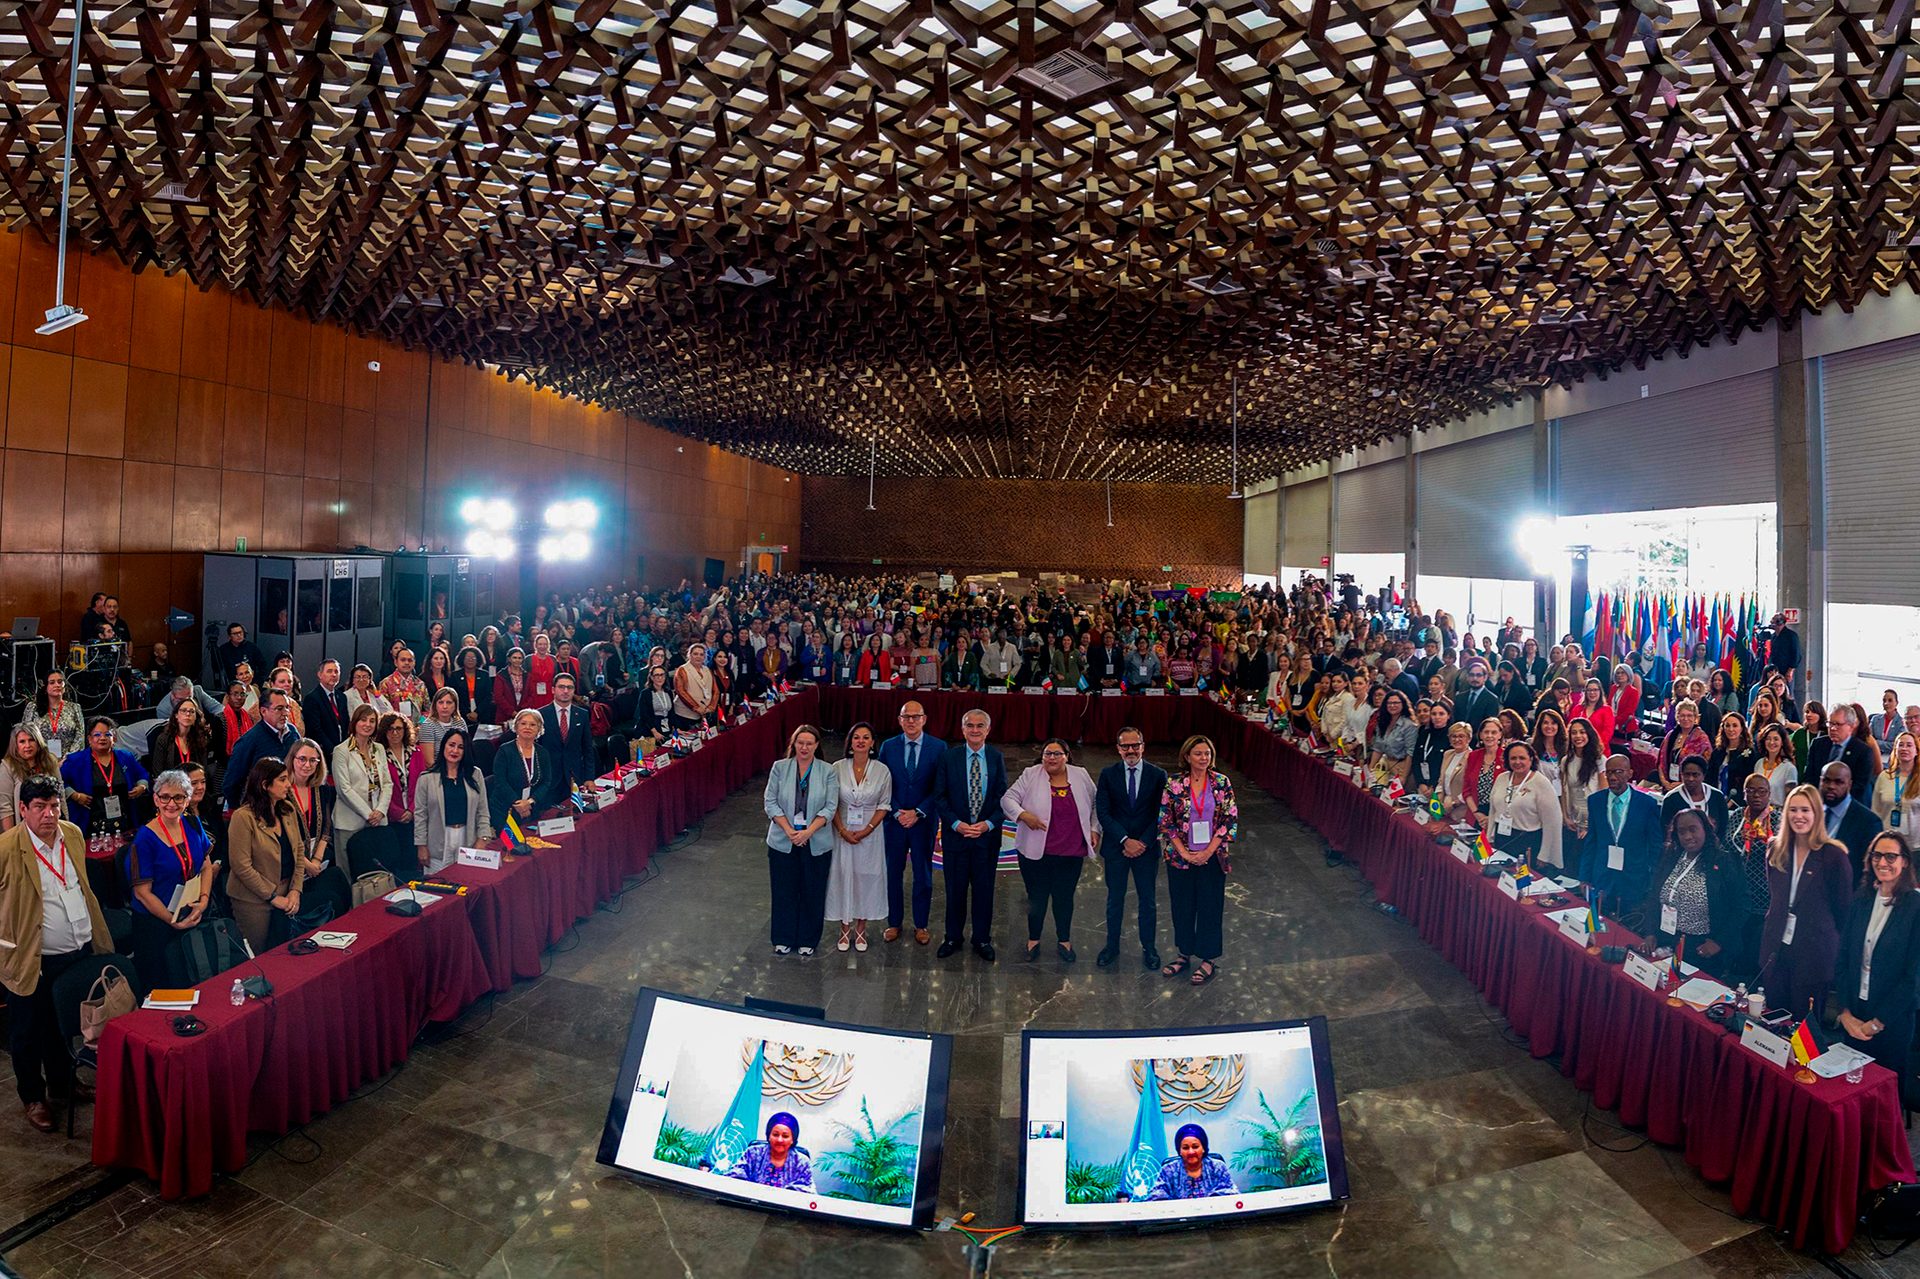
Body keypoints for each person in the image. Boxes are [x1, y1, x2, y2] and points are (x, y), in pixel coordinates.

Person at [0, 778, 112, 1132]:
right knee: (27, 1031)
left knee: (62, 1025)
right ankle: (33, 1097)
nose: (48, 814)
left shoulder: (72, 834)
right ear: (23, 809)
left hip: (75, 951)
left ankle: (64, 1085)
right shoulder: (6, 847)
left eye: (53, 806)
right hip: (31, 957)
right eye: (39, 807)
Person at [1834, 831, 1920, 1108]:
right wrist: (1845, 1013)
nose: (1883, 862)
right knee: (1849, 1096)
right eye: (1877, 855)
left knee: (1883, 1102)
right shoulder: (1861, 899)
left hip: (1892, 1021)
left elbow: (1913, 979)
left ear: (1905, 861)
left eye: (1891, 856)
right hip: (1855, 1012)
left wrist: (1876, 1024)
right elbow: (1843, 959)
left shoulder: (1916, 906)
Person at [1761, 783, 1856, 1018]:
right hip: (1777, 950)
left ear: (1817, 813)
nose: (1798, 816)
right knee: (1772, 1020)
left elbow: (1844, 912)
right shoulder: (1775, 848)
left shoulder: (1834, 856)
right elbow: (1774, 897)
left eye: (1805, 810)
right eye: (1793, 810)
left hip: (1813, 956)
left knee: (1804, 1029)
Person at [1004, 738, 1097, 963]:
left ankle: (1064, 940)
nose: (1051, 758)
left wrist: (1095, 829)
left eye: (1057, 754)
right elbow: (1008, 799)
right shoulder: (1031, 774)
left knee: (1064, 898)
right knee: (1036, 898)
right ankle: (1033, 939)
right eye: (1047, 754)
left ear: (1067, 756)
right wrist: (1023, 815)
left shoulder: (1081, 775)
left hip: (1071, 851)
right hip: (1035, 852)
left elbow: (1096, 804)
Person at [1159, 734, 1237, 988]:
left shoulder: (1221, 782)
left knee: (1210, 907)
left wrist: (1207, 852)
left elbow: (1229, 820)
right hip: (1180, 858)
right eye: (1198, 754)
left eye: (1207, 754)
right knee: (1182, 906)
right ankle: (1184, 953)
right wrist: (1184, 852)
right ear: (1187, 756)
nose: (1204, 758)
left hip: (1212, 858)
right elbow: (1165, 821)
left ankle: (1208, 959)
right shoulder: (1174, 783)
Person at [931, 710, 1008, 961]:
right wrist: (955, 824)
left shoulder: (996, 757)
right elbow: (939, 796)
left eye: (980, 725)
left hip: (986, 839)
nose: (975, 730)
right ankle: (952, 937)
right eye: (970, 725)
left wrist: (988, 824)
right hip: (956, 838)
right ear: (962, 729)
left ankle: (982, 939)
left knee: (984, 891)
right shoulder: (948, 757)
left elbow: (1003, 798)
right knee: (955, 890)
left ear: (988, 729)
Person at [1095, 727, 1168, 970]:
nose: (1131, 750)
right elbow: (1103, 812)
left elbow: (1162, 813)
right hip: (1117, 848)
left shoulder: (1158, 775)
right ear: (1118, 749)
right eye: (1125, 746)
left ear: (1143, 746)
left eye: (1135, 745)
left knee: (1148, 901)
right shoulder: (1108, 774)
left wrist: (1142, 842)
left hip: (1147, 849)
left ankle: (1149, 948)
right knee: (1114, 900)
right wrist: (1125, 840)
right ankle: (1111, 947)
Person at [762, 724, 838, 957]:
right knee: (783, 890)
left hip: (816, 841)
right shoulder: (780, 767)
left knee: (812, 891)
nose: (804, 747)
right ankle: (783, 938)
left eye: (809, 743)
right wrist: (789, 831)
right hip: (783, 840)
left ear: (817, 745)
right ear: (793, 744)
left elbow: (830, 807)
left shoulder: (828, 771)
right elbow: (770, 802)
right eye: (800, 743)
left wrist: (807, 832)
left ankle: (808, 939)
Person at [59, 716, 150, 909]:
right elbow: (60, 780)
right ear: (89, 739)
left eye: (107, 734)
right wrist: (74, 795)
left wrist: (142, 786)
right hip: (91, 826)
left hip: (123, 825)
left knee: (126, 863)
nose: (102, 738)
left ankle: (127, 901)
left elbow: (143, 774)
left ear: (114, 737)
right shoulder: (76, 760)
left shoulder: (125, 756)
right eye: (97, 734)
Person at [874, 701, 943, 945]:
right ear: (899, 720)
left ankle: (921, 924)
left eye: (916, 716)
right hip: (894, 822)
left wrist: (918, 812)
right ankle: (894, 922)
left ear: (924, 719)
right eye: (906, 717)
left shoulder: (939, 747)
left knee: (922, 874)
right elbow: (882, 783)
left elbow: (940, 787)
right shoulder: (888, 746)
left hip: (923, 822)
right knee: (893, 873)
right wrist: (896, 812)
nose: (911, 721)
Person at [1644, 808, 1744, 969]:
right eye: (1681, 832)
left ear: (1705, 829)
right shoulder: (1671, 855)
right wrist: (1650, 932)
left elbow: (1741, 907)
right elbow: (1654, 895)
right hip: (1666, 939)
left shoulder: (1724, 861)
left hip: (1701, 948)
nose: (1687, 836)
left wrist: (1719, 942)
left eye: (1693, 829)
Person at [226, 757, 307, 952]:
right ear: (265, 785)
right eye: (282, 779)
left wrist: (296, 889)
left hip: (286, 893)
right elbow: (241, 866)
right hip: (253, 901)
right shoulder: (242, 817)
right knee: (261, 953)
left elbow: (299, 850)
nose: (288, 784)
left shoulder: (287, 810)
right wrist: (272, 896)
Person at [825, 723, 890, 952]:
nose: (861, 741)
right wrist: (842, 830)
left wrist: (866, 830)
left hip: (870, 834)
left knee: (866, 878)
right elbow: (831, 803)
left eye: (866, 737)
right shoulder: (837, 768)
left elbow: (884, 805)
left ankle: (861, 927)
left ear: (872, 743)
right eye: (856, 737)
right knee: (843, 876)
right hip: (842, 831)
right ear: (850, 742)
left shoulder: (882, 770)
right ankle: (844, 926)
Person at [1583, 754, 1664, 917]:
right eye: (1609, 772)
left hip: (1634, 877)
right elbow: (1591, 841)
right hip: (1603, 876)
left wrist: (1653, 879)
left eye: (1619, 772)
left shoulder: (1647, 804)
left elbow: (1655, 844)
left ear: (1630, 773)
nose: (1613, 777)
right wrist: (1584, 877)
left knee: (1628, 924)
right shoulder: (1595, 801)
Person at [285, 738, 350, 922]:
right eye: (302, 759)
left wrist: (316, 860)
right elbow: (284, 837)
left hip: (318, 859)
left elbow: (326, 828)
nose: (307, 765)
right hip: (292, 860)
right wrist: (306, 864)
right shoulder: (282, 792)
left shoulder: (322, 789)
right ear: (292, 759)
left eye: (313, 760)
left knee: (337, 887)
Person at [414, 728, 491, 875]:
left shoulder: (475, 774)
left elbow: (483, 810)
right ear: (443, 746)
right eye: (451, 745)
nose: (455, 750)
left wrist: (483, 837)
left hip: (467, 839)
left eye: (460, 747)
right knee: (438, 885)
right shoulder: (426, 778)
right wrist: (421, 845)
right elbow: (420, 816)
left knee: (467, 882)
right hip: (437, 843)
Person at [1726, 773, 1779, 977]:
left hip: (1765, 895)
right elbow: (1727, 845)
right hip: (1737, 892)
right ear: (1744, 793)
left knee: (1756, 946)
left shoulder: (1778, 820)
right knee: (1736, 943)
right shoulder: (1737, 816)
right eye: (1751, 791)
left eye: (1762, 791)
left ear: (1769, 794)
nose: (1756, 795)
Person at [1485, 741, 1562, 869]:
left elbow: (1552, 821)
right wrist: (1489, 837)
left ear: (1531, 759)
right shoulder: (1501, 778)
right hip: (1501, 838)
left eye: (1522, 758)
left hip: (1527, 842)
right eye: (1513, 758)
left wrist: (1545, 855)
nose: (1517, 762)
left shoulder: (1541, 783)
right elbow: (1493, 811)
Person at [221, 687, 300, 812]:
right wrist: (242, 811)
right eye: (279, 708)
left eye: (287, 708)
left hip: (291, 803)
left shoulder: (293, 732)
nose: (285, 713)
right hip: (261, 808)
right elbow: (231, 783)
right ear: (263, 711)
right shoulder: (249, 741)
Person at [489, 709, 562, 830]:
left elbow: (547, 782)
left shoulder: (542, 753)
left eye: (533, 724)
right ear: (516, 726)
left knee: (532, 840)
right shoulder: (504, 751)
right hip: (505, 809)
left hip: (532, 808)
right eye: (523, 723)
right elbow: (500, 781)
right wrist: (518, 804)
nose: (527, 727)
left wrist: (530, 802)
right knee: (511, 842)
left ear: (539, 729)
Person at [1821, 762, 1884, 881]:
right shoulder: (1812, 813)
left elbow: (1870, 871)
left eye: (1838, 782)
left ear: (1849, 785)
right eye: (1826, 780)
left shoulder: (1868, 822)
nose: (1831, 786)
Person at [725, 1112, 813, 1190]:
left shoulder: (802, 1162)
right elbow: (735, 1175)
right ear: (769, 1136)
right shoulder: (753, 1153)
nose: (779, 1140)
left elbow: (806, 1191)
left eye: (785, 1136)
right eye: (775, 1135)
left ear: (792, 1139)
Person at [1809, 705, 1878, 804]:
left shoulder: (1863, 751)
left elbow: (1859, 786)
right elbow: (1810, 778)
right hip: (1818, 803)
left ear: (1851, 726)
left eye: (1838, 724)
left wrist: (1834, 798)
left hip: (1848, 805)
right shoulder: (1817, 745)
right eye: (1830, 723)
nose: (1833, 728)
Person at [1149, 1123, 1236, 1200]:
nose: (1191, 1152)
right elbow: (1156, 1197)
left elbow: (1231, 1194)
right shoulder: (1168, 1170)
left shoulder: (1217, 1167)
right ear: (1179, 1151)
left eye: (1195, 1147)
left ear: (1203, 1148)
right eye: (1185, 1148)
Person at [539, 674, 594, 791]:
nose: (565, 691)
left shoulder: (582, 714)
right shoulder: (541, 715)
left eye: (570, 687)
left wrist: (589, 777)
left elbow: (588, 748)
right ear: (553, 690)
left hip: (575, 777)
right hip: (549, 779)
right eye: (561, 687)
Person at [1660, 756, 1729, 845]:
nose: (1691, 779)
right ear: (1681, 775)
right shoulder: (1671, 799)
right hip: (1682, 849)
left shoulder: (1717, 796)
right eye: (1687, 774)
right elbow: (1666, 831)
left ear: (1703, 775)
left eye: (1695, 775)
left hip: (1713, 849)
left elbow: (1723, 827)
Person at [0, 728, 58, 833]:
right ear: (15, 745)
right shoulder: (7, 766)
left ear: (38, 742)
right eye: (22, 741)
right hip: (22, 828)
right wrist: (11, 836)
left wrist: (66, 822)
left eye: (31, 740)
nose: (27, 745)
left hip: (50, 822)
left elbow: (60, 795)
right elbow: (5, 808)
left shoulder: (50, 760)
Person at [18, 672, 82, 760]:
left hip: (68, 762)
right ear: (45, 687)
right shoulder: (33, 708)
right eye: (52, 682)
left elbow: (80, 738)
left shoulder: (74, 708)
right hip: (39, 760)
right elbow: (25, 735)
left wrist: (65, 760)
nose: (57, 685)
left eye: (60, 682)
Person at [301, 658, 352, 760]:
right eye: (329, 671)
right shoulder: (312, 698)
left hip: (342, 751)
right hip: (323, 753)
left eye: (336, 671)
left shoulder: (342, 697)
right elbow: (315, 729)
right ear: (320, 675)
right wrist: (332, 750)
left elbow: (345, 724)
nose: (333, 674)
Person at [1657, 700, 1712, 792]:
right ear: (1677, 717)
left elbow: (1705, 768)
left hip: (1690, 788)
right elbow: (1660, 760)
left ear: (1695, 717)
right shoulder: (1671, 735)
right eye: (1682, 715)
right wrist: (1665, 782)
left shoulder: (1702, 739)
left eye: (1689, 715)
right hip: (1668, 786)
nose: (1685, 718)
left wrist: (1682, 784)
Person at [1873, 732, 1920, 835]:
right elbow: (1876, 811)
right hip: (1888, 839)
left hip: (1916, 842)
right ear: (1895, 750)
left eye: (1909, 745)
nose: (1904, 748)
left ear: (1916, 751)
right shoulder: (1884, 777)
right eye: (1901, 745)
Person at [672, 643, 721, 730]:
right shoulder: (682, 670)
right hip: (685, 715)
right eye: (695, 654)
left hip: (706, 713)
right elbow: (681, 691)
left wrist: (711, 707)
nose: (698, 657)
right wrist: (696, 707)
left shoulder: (707, 670)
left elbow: (716, 691)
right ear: (689, 655)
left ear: (705, 657)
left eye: (701, 654)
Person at [1754, 723, 1799, 805]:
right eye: (1768, 739)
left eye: (1776, 739)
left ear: (1782, 742)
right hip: (1759, 809)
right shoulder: (1759, 764)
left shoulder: (1789, 768)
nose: (1772, 742)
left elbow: (1790, 800)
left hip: (1778, 811)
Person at [377, 648, 427, 721]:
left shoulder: (420, 684)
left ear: (414, 663)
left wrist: (421, 722)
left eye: (410, 660)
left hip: (417, 726)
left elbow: (427, 709)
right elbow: (382, 709)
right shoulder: (386, 683)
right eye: (403, 660)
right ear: (395, 662)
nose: (407, 663)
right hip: (394, 725)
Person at [212, 623, 266, 688]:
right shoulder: (223, 650)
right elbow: (217, 669)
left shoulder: (252, 647)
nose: (239, 635)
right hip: (232, 685)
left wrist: (257, 683)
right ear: (229, 636)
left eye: (240, 632)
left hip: (251, 684)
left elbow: (263, 667)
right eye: (235, 633)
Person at [492, 648, 533, 725]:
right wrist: (511, 712)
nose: (517, 660)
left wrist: (522, 711)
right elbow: (498, 696)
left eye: (520, 658)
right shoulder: (501, 675)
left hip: (523, 714)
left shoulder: (527, 675)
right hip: (504, 714)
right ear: (509, 659)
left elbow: (531, 695)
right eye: (514, 658)